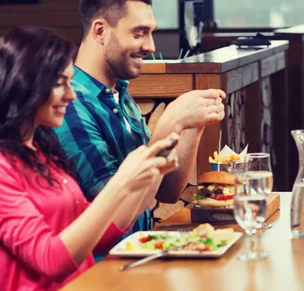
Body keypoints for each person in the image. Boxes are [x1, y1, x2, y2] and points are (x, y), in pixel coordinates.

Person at [0, 27, 179, 290]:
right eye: (61, 83)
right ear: (25, 83)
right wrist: (122, 182)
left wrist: (150, 173)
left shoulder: (42, 150)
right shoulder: (4, 169)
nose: (71, 95)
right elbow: (51, 260)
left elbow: (100, 237)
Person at [53, 0, 226, 245]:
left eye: (151, 32)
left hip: (138, 254)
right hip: (101, 270)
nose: (151, 46)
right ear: (100, 31)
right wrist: (169, 123)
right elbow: (115, 211)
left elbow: (166, 190)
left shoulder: (119, 93)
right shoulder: (70, 104)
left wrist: (192, 125)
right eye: (138, 33)